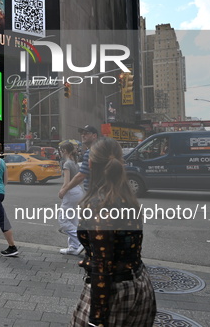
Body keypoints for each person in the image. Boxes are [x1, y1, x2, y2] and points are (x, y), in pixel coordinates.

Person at [70, 138, 156, 327]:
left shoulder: (98, 205)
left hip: (113, 294)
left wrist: (96, 320)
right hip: (141, 285)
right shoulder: (127, 197)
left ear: (90, 164)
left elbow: (103, 266)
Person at [57, 142, 84, 255]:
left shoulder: (67, 164)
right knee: (73, 219)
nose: (60, 151)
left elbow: (66, 182)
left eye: (61, 149)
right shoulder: (75, 163)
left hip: (70, 192)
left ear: (65, 151)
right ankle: (73, 247)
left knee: (63, 220)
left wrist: (62, 191)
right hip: (78, 191)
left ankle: (79, 242)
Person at [59, 125, 99, 199]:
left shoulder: (90, 152)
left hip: (94, 193)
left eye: (86, 133)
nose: (83, 135)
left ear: (94, 135)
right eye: (82, 133)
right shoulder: (99, 149)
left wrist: (64, 189)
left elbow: (81, 176)